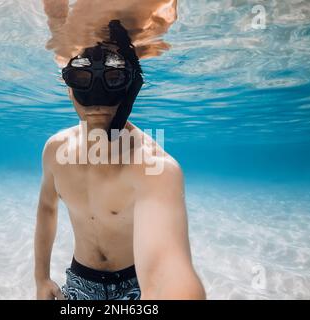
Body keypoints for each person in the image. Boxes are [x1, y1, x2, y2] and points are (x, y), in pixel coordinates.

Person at [34, 18, 205, 300]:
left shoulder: (154, 167)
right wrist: (41, 278)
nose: (97, 100)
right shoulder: (55, 150)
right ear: (69, 87)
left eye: (114, 79)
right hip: (80, 280)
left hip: (136, 286)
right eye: (82, 78)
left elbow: (170, 271)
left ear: (131, 86)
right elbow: (47, 208)